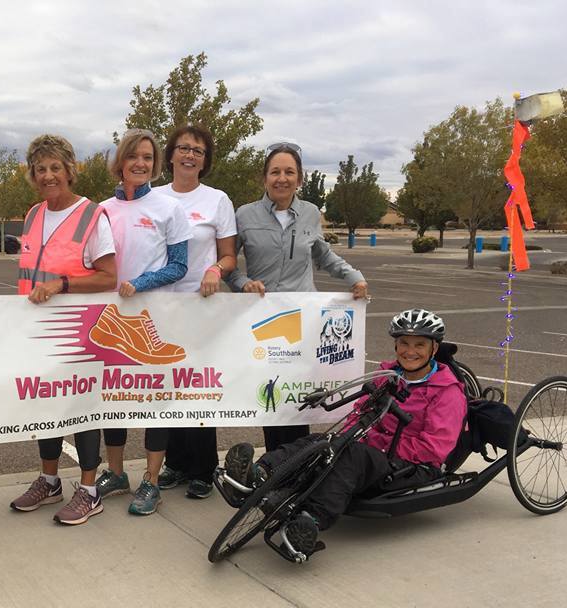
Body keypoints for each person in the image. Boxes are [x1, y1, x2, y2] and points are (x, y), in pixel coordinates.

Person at [224, 309, 467, 561]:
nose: (410, 351)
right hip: (373, 450)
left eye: (419, 345)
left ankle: (309, 523)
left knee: (352, 456)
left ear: (434, 348)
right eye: (404, 343)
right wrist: (347, 436)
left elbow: (434, 448)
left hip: (412, 464)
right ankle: (256, 476)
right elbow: (359, 412)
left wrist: (373, 442)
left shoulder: (447, 392)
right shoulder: (387, 375)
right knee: (319, 442)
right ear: (396, 344)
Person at [225, 142, 368, 453]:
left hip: (303, 321)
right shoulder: (244, 215)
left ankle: (296, 463)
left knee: (298, 394)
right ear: (264, 178)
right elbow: (229, 267)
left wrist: (354, 277)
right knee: (270, 394)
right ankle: (275, 461)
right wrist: (244, 283)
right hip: (263, 320)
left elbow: (324, 256)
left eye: (289, 172)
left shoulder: (310, 213)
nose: (282, 178)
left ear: (299, 178)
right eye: (275, 172)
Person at [9, 134, 117, 525]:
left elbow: (109, 277)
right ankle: (49, 480)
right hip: (38, 331)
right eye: (41, 169)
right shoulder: (34, 213)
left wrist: (62, 285)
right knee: (45, 404)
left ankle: (89, 490)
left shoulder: (91, 215)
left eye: (56, 167)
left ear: (70, 170)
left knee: (81, 407)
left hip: (79, 332)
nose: (48, 175)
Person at [96, 128, 193, 516]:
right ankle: (117, 472)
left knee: (155, 403)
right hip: (112, 319)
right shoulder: (101, 209)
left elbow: (180, 266)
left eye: (148, 158)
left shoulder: (170, 208)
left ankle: (151, 481)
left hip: (155, 319)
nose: (141, 163)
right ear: (120, 162)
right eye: (133, 156)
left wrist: (140, 283)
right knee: (113, 399)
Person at [154, 124, 237, 500]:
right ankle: (174, 462)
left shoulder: (217, 199)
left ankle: (203, 467)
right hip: (160, 306)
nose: (190, 155)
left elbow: (229, 255)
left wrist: (215, 270)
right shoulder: (151, 197)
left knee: (198, 387)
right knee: (168, 388)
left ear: (205, 161)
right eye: (184, 148)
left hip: (201, 307)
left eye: (198, 151)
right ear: (170, 154)